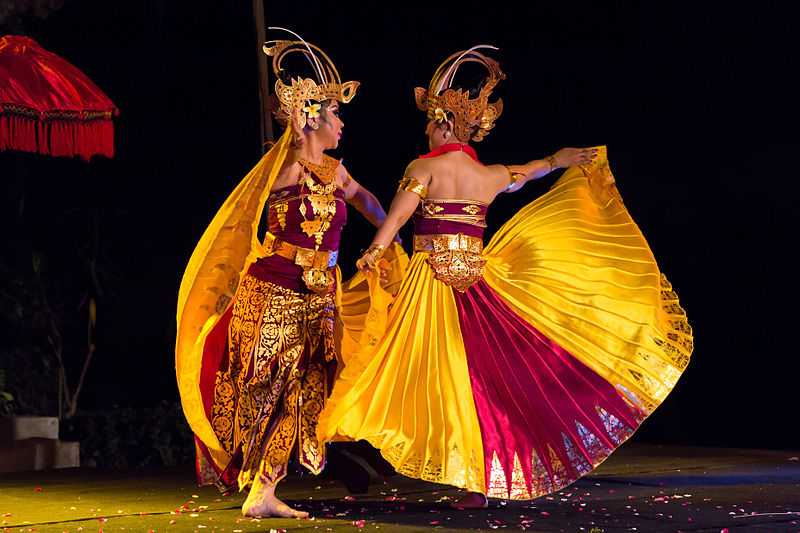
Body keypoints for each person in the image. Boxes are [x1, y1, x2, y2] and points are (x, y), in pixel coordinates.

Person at [318, 46, 693, 509]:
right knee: (479, 383)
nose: (426, 130)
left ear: (444, 123)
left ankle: (348, 438)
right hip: (478, 284)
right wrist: (558, 160)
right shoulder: (490, 175)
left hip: (429, 285)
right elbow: (528, 172)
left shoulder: (423, 167)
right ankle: (476, 483)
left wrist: (374, 251)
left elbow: (396, 217)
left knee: (406, 367)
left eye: (430, 122)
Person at [175, 33, 397, 518]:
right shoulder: (285, 169)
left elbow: (368, 201)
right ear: (314, 116)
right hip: (272, 290)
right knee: (265, 386)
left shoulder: (337, 172)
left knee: (309, 393)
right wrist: (292, 138)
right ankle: (248, 474)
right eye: (335, 114)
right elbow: (249, 203)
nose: (342, 124)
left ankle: (264, 492)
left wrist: (390, 237)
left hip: (321, 298)